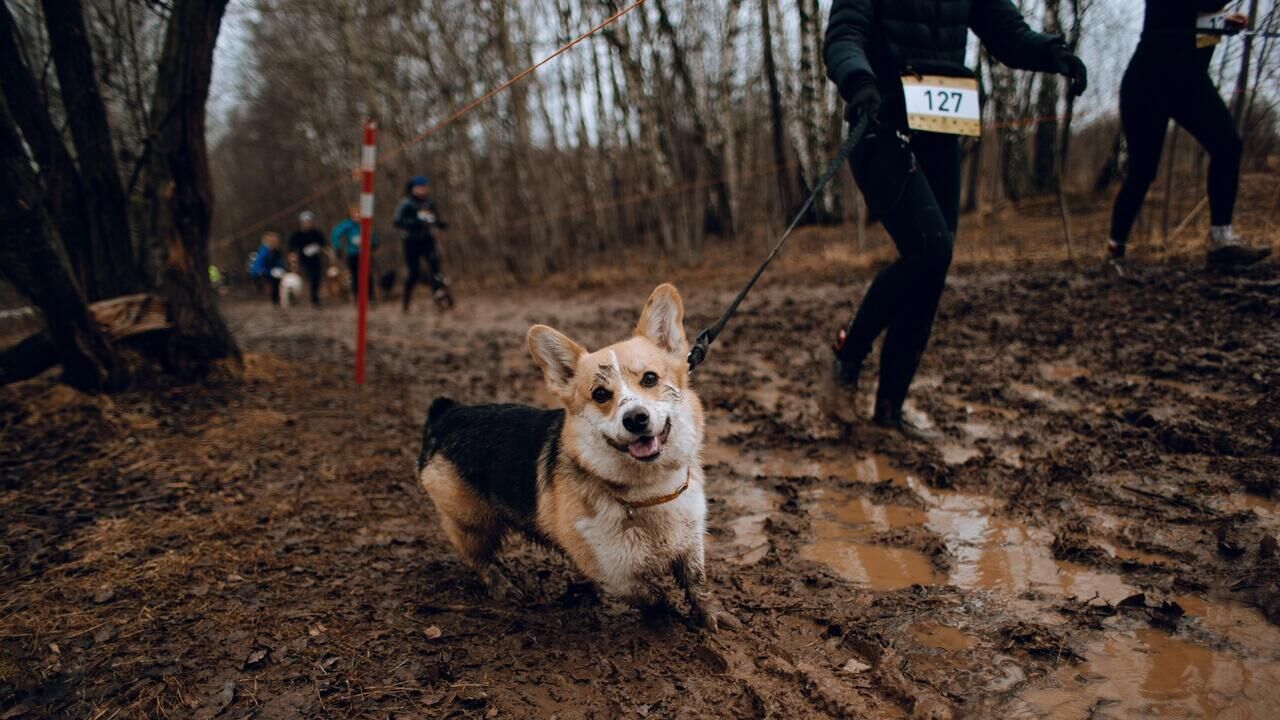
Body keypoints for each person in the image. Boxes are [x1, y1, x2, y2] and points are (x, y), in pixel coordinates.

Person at [822, 0, 1087, 439]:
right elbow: (844, 35)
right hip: (881, 125)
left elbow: (1007, 31)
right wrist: (859, 81)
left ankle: (890, 410)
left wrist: (1051, 53)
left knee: (932, 268)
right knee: (931, 249)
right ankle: (849, 353)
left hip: (942, 128)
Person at [1108, 3, 1270, 267]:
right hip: (1147, 80)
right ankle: (1115, 251)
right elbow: (1203, 5)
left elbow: (1198, 23)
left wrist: (1219, 25)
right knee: (1142, 171)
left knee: (1227, 145)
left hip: (1188, 82)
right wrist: (1217, 18)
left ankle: (1222, 242)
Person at [393, 176, 450, 311]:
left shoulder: (429, 203)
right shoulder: (406, 203)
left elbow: (434, 219)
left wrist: (440, 224)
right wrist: (415, 221)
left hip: (427, 239)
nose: (422, 190)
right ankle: (406, 301)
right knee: (413, 272)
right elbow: (397, 222)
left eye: (424, 187)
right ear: (413, 189)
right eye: (419, 187)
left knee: (434, 266)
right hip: (411, 241)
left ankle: (440, 298)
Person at [331, 204, 380, 304]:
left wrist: (373, 244)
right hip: (353, 254)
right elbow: (335, 233)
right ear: (351, 215)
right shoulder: (347, 224)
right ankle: (357, 297)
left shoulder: (366, 224)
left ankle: (370, 297)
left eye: (359, 213)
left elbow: (374, 236)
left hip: (365, 254)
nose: (358, 215)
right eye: (356, 213)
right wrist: (337, 247)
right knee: (355, 276)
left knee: (367, 275)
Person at [288, 210, 327, 307]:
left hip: (316, 260)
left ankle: (314, 298)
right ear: (301, 222)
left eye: (309, 221)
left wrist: (332, 256)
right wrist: (293, 263)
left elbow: (325, 245)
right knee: (303, 280)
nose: (307, 223)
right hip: (302, 261)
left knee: (316, 279)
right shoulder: (297, 235)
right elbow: (292, 250)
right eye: (305, 221)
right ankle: (296, 298)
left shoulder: (317, 233)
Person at [251, 232, 286, 306]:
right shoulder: (263, 251)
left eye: (274, 241)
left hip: (273, 271)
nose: (272, 243)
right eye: (270, 241)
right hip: (264, 271)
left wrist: (282, 269)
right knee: (268, 281)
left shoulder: (277, 251)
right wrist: (257, 272)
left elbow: (280, 262)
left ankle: (276, 299)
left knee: (276, 281)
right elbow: (258, 263)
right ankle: (264, 295)